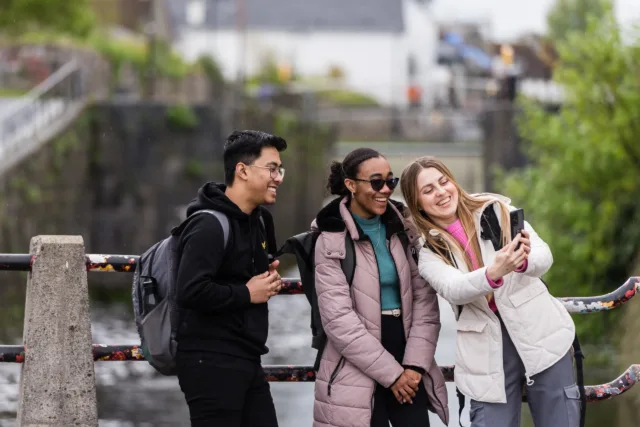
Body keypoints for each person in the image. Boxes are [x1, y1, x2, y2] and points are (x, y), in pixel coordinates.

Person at [400, 156, 579, 427]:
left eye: (443, 181)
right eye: (428, 190)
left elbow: (544, 256)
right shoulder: (427, 251)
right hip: (484, 351)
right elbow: (454, 288)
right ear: (417, 204)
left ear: (453, 181)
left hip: (541, 333)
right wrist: (492, 272)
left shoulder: (495, 210)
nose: (440, 192)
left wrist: (523, 261)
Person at [311, 148, 449, 427]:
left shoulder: (405, 228)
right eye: (376, 182)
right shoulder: (329, 239)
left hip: (408, 354)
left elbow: (425, 302)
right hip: (355, 364)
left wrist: (412, 368)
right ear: (350, 185)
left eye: (391, 181)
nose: (385, 189)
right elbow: (338, 321)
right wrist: (393, 376)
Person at [175, 130, 287, 427]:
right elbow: (189, 291)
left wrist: (267, 276)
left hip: (247, 355)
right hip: (208, 360)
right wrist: (247, 293)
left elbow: (247, 270)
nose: (279, 177)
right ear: (243, 170)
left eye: (280, 169)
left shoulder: (261, 220)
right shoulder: (208, 225)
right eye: (272, 169)